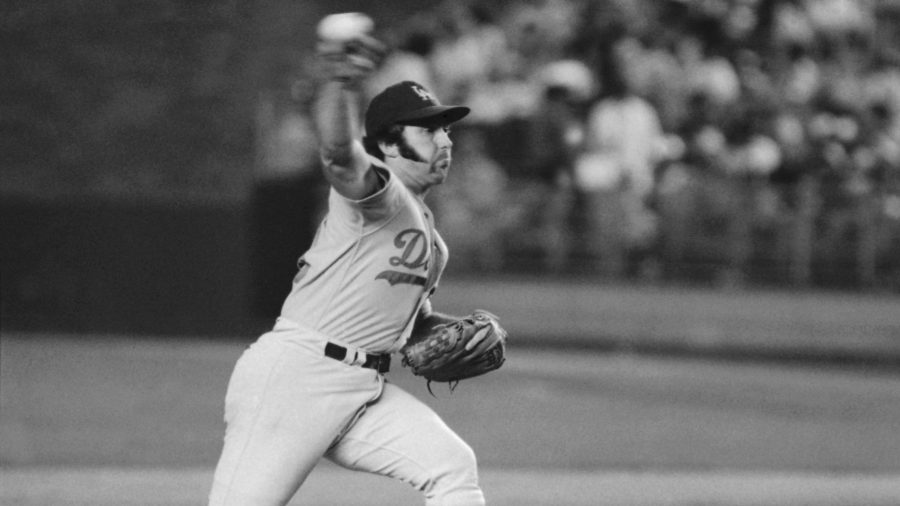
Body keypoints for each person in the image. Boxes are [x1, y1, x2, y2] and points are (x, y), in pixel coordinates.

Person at [208, 30, 493, 506]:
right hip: (297, 379)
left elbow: (408, 322)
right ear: (389, 145)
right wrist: (339, 84)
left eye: (446, 129)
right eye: (429, 130)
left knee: (452, 466)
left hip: (362, 389)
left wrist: (453, 330)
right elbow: (340, 155)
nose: (445, 140)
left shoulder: (433, 243)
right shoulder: (377, 195)